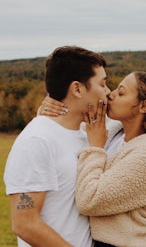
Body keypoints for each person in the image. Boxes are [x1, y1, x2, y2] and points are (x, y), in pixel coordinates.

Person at [41, 71, 146, 247]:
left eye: (121, 93)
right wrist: (49, 111)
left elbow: (90, 200)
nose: (110, 94)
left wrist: (96, 148)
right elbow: (68, 131)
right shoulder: (114, 133)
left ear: (144, 106)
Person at [3, 45, 110, 247]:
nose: (108, 92)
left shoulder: (88, 133)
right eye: (102, 84)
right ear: (77, 89)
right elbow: (25, 224)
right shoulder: (37, 141)